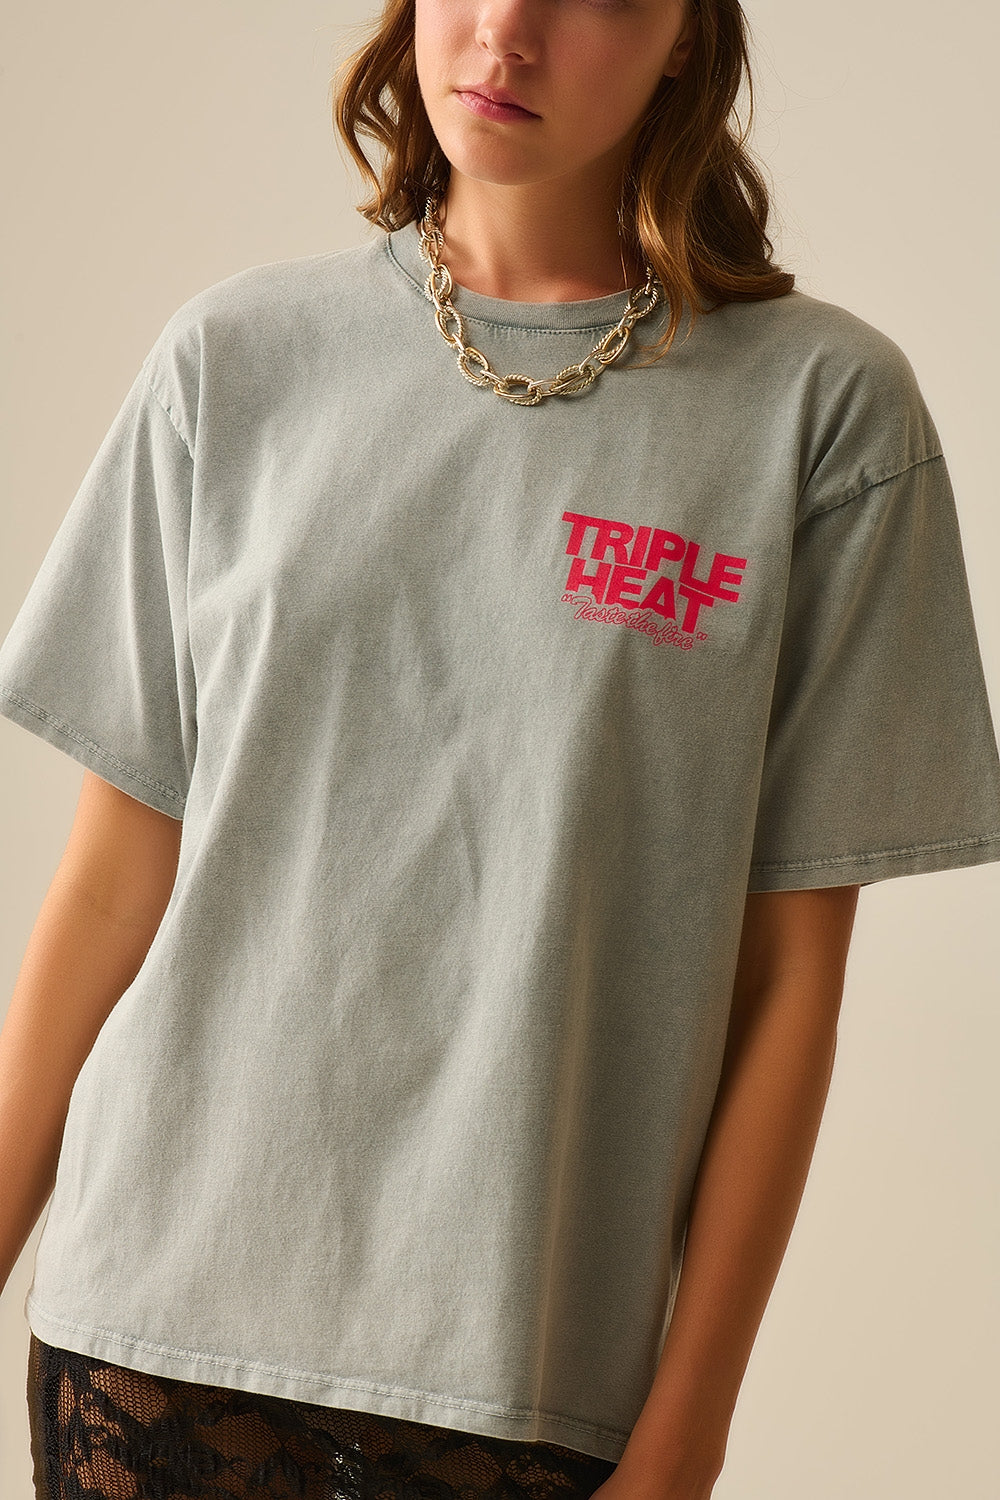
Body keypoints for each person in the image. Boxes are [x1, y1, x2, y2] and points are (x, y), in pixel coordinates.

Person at [2, 1, 999, 1497]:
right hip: (154, 1335)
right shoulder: (235, 360)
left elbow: (789, 977)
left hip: (528, 1374)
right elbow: (110, 881)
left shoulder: (824, 415)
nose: (508, 31)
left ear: (685, 35)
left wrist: (689, 1432)